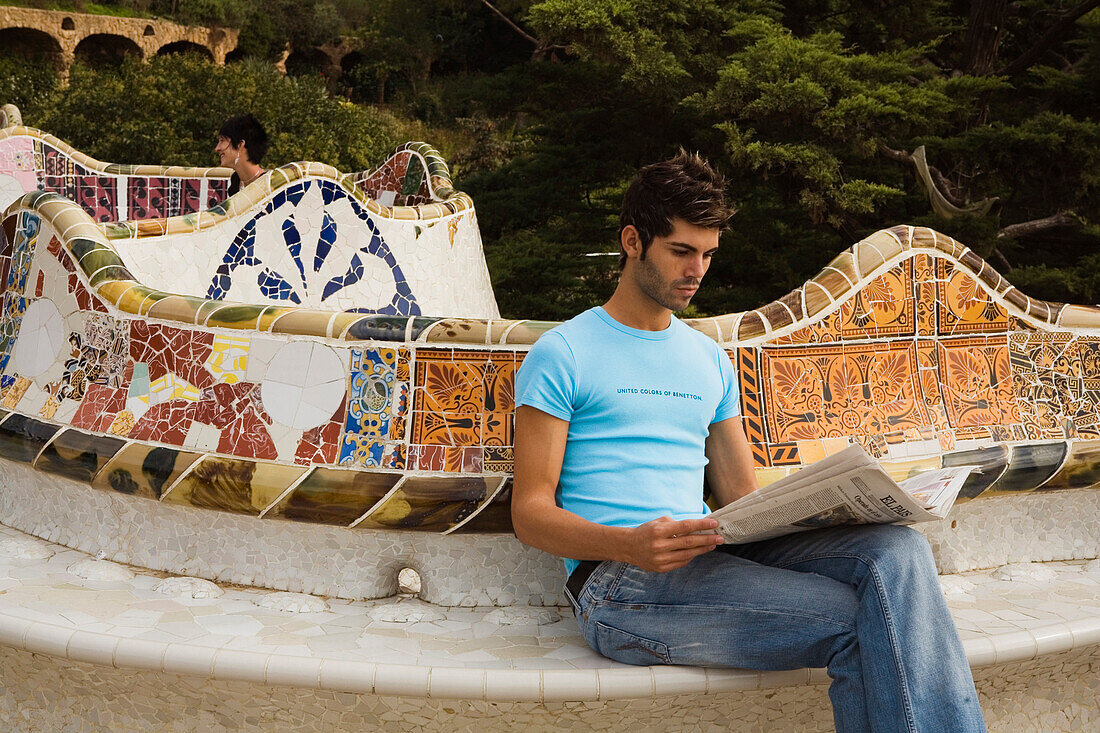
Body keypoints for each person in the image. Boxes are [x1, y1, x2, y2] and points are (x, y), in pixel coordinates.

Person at [511, 150, 986, 732]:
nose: (697, 271)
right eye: (681, 251)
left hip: (711, 551)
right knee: (867, 619)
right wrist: (628, 544)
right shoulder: (564, 353)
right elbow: (530, 514)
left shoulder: (708, 360)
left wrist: (835, 505)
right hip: (620, 584)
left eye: (708, 254)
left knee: (898, 550)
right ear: (633, 241)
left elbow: (740, 499)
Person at [214, 114, 269, 197]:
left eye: (222, 140)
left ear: (240, 145)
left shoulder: (268, 186)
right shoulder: (235, 182)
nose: (217, 148)